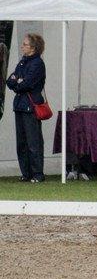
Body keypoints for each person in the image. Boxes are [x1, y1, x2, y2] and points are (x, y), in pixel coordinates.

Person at [5, 33, 47, 183]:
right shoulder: (23, 62)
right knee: (21, 142)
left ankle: (37, 173)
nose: (22, 46)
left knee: (33, 141)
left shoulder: (37, 64)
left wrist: (18, 82)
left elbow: (27, 84)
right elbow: (10, 81)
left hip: (30, 107)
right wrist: (17, 81)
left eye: (25, 44)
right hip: (19, 106)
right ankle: (26, 173)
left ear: (33, 48)